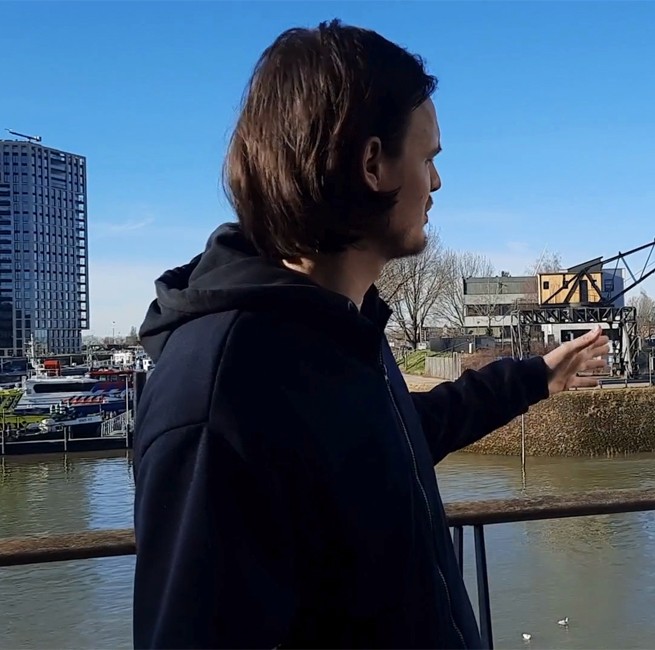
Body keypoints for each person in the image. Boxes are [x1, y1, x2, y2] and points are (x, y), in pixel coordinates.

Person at [131, 18, 609, 650]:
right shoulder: (222, 393)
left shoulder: (339, 326)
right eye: (428, 157)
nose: (436, 183)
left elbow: (395, 439)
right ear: (372, 162)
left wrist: (535, 377)